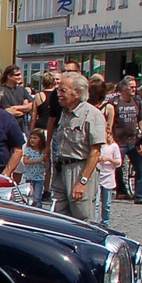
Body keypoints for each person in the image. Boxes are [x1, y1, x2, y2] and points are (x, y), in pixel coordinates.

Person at [49, 73, 105, 222]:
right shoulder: (64, 113)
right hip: (61, 169)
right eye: (58, 90)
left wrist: (83, 182)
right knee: (57, 218)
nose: (58, 94)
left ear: (77, 93)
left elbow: (95, 152)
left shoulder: (92, 114)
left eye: (63, 91)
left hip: (80, 169)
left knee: (82, 219)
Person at [108, 77, 142, 203]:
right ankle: (121, 191)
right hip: (118, 141)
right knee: (116, 167)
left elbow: (140, 118)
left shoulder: (137, 101)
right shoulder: (114, 102)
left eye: (135, 87)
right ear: (123, 88)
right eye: (131, 87)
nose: (134, 89)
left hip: (134, 141)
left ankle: (140, 196)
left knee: (140, 170)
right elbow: (109, 120)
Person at [19, 129, 49, 207]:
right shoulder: (28, 150)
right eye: (31, 138)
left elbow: (47, 166)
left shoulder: (43, 151)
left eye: (35, 138)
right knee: (29, 198)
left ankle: (38, 211)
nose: (32, 140)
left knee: (37, 197)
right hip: (30, 177)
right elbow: (25, 161)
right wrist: (39, 160)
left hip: (39, 178)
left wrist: (46, 160)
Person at [96, 136, 121, 226]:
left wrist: (108, 159)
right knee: (96, 203)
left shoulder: (113, 146)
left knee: (106, 204)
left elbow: (118, 162)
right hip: (98, 176)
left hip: (108, 177)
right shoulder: (98, 146)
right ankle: (94, 223)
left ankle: (105, 222)